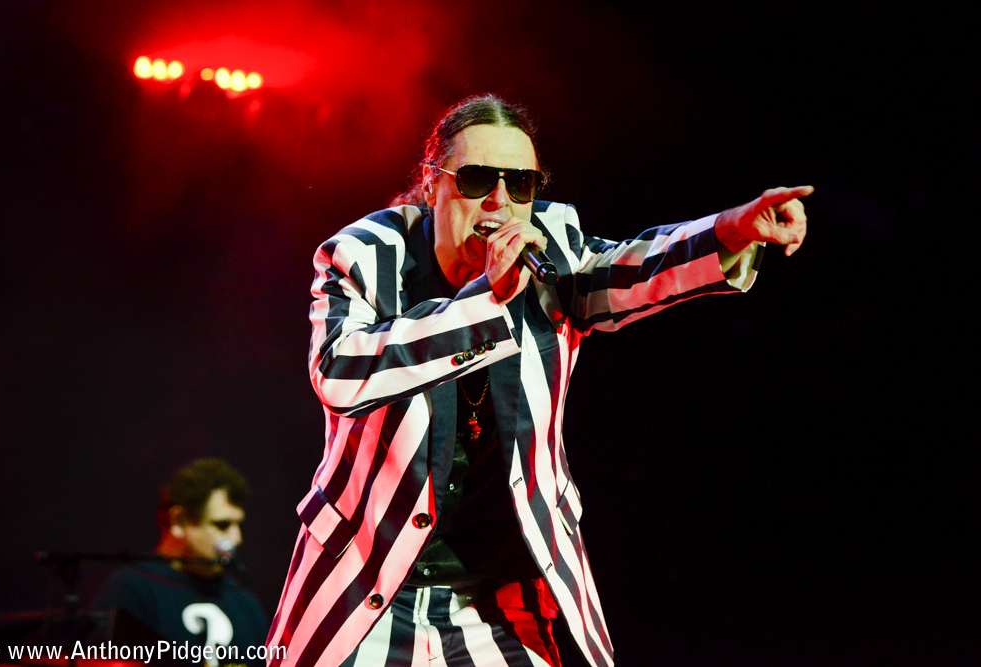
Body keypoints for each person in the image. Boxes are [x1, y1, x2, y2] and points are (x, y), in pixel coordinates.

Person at [265, 94, 811, 667]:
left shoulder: (553, 251)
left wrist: (731, 229)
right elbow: (340, 372)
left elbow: (634, 270)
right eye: (476, 180)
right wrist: (485, 302)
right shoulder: (364, 255)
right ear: (432, 185)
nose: (499, 204)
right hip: (367, 587)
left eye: (520, 186)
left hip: (500, 596)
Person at [96, 458, 268, 667]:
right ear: (179, 521)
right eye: (222, 525)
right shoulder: (133, 590)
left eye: (238, 525)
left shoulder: (244, 601)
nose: (236, 538)